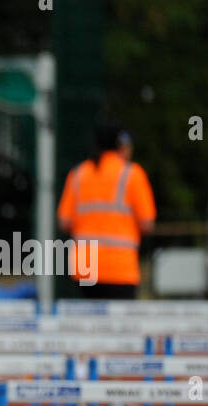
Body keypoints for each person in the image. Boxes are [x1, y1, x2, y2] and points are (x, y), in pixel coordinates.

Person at [57, 125, 156, 299]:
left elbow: (64, 222)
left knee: (89, 323)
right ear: (120, 147)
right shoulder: (132, 175)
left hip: (85, 268)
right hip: (120, 268)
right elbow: (147, 223)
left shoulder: (78, 174)